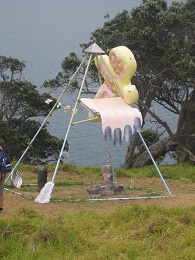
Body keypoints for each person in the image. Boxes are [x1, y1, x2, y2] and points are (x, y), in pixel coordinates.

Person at [0, 146, 11, 213]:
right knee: (1, 191)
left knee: (1, 192)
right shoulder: (3, 153)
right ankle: (1, 208)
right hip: (2, 174)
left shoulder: (2, 153)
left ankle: (1, 208)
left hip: (1, 174)